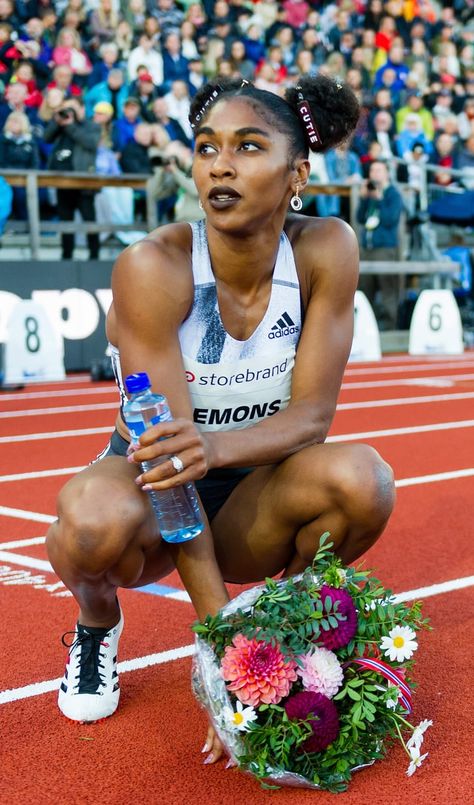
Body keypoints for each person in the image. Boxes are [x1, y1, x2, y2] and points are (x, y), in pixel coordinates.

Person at [46, 76, 395, 767]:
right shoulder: (154, 267)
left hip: (250, 492)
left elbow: (314, 416)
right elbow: (171, 469)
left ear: (297, 173)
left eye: (247, 146)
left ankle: (282, 623)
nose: (220, 164)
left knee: (364, 480)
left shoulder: (328, 250)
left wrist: (216, 444)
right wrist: (221, 651)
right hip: (151, 491)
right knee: (89, 520)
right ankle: (96, 625)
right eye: (206, 147)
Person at [43, 96, 101, 260]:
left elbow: (90, 143)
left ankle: (94, 255)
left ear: (82, 109)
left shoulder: (91, 126)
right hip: (63, 182)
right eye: (67, 107)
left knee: (90, 221)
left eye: (73, 107)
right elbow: (46, 138)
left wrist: (71, 125)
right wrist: (57, 120)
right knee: (65, 222)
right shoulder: (61, 125)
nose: (70, 111)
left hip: (83, 183)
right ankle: (66, 255)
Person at [357, 159, 404, 331]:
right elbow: (361, 218)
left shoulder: (393, 194)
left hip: (384, 248)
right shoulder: (370, 193)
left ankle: (392, 329)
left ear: (387, 173)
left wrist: (379, 199)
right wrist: (363, 199)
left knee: (388, 292)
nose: (374, 174)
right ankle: (365, 330)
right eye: (372, 171)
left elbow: (390, 219)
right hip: (367, 248)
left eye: (378, 170)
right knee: (365, 291)